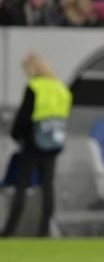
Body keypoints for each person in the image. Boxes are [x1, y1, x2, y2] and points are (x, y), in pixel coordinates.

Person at [2, 53, 72, 237]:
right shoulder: (60, 88)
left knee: (22, 184)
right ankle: (43, 231)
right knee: (48, 186)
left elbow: (24, 116)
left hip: (34, 142)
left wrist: (17, 135)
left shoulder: (35, 87)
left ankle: (10, 230)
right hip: (54, 141)